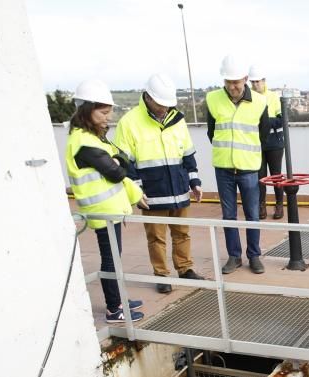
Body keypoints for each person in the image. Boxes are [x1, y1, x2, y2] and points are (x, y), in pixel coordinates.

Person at [113, 73, 205, 294]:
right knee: (156, 237)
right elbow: (125, 161)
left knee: (182, 233)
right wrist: (136, 191)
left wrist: (195, 181)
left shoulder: (177, 119)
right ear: (148, 97)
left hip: (179, 189)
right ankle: (162, 275)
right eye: (161, 104)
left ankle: (185, 269)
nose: (164, 108)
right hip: (152, 192)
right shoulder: (129, 122)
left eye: (168, 104)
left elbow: (187, 153)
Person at [65, 80, 146, 323]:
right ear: (85, 110)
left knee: (115, 257)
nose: (107, 116)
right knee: (111, 260)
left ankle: (119, 299)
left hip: (109, 210)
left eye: (108, 110)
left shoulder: (93, 138)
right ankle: (114, 309)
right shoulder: (84, 142)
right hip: (102, 212)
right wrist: (119, 161)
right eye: (102, 111)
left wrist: (118, 160)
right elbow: (118, 171)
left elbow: (122, 160)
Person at [206, 55, 270, 274]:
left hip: (249, 168)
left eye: (236, 81)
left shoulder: (260, 102)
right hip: (223, 168)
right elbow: (211, 132)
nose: (232, 86)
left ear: (245, 79)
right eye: (228, 82)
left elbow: (264, 134)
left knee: (252, 214)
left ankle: (254, 256)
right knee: (228, 214)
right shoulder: (213, 99)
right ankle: (234, 256)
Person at [248, 65, 284, 220]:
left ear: (264, 81)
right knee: (260, 177)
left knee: (276, 176)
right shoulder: (249, 98)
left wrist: (264, 122)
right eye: (253, 82)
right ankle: (261, 206)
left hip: (274, 142)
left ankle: (279, 205)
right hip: (257, 142)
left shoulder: (273, 96)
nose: (255, 85)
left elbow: (281, 120)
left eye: (258, 81)